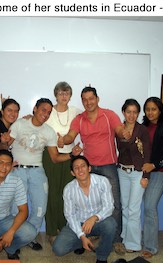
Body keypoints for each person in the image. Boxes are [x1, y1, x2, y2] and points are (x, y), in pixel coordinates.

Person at [4, 98, 82, 251]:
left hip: (38, 171)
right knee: (15, 209)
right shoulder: (20, 124)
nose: (45, 114)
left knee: (40, 209)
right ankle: (13, 238)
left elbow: (55, 157)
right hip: (18, 170)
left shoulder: (48, 131)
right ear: (35, 109)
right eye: (43, 110)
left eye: (48, 112)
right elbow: (6, 145)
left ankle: (30, 237)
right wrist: (4, 145)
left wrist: (72, 155)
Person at [58, 86, 128, 255]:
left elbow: (119, 130)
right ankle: (90, 233)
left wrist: (123, 133)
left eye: (91, 98)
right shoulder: (80, 119)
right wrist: (63, 140)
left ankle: (117, 240)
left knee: (115, 204)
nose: (88, 102)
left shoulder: (109, 115)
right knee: (89, 203)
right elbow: (70, 135)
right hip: (89, 167)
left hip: (109, 165)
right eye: (85, 99)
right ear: (82, 101)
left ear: (97, 99)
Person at [52, 155, 117, 263]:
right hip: (79, 223)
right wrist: (81, 236)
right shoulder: (69, 189)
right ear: (72, 173)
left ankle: (102, 257)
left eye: (83, 166)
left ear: (89, 168)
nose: (80, 170)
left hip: (98, 222)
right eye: (76, 168)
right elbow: (70, 215)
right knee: (58, 249)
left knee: (111, 224)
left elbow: (109, 206)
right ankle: (84, 241)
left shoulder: (102, 181)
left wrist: (95, 218)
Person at [43, 81, 82, 244]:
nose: (64, 96)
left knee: (68, 195)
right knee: (52, 195)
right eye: (61, 93)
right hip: (51, 156)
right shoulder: (48, 111)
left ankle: (66, 229)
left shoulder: (76, 111)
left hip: (70, 157)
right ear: (56, 95)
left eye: (67, 93)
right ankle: (52, 231)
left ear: (71, 95)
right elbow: (36, 120)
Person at [116, 99, 151, 252]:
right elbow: (119, 149)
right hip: (122, 171)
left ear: (138, 114)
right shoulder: (119, 129)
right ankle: (125, 237)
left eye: (135, 112)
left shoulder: (142, 129)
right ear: (123, 112)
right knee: (125, 207)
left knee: (134, 209)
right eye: (128, 111)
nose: (131, 115)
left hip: (137, 173)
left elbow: (148, 153)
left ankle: (134, 244)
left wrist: (146, 176)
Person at [141, 97, 163, 258]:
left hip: (159, 173)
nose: (150, 112)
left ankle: (151, 247)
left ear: (160, 111)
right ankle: (146, 239)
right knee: (145, 207)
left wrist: (154, 165)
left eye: (154, 109)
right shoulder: (143, 127)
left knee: (149, 207)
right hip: (144, 173)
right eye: (147, 109)